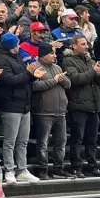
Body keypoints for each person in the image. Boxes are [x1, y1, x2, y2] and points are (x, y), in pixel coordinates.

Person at [0, 32, 39, 184]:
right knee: (10, 141)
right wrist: (28, 73)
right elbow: (10, 80)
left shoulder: (17, 57)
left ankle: (22, 169)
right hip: (11, 105)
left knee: (23, 141)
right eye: (17, 44)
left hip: (24, 104)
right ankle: (9, 170)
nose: (19, 46)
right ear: (11, 46)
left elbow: (24, 77)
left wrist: (33, 75)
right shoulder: (1, 59)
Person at [63, 35, 100, 177]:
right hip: (78, 105)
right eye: (82, 44)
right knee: (77, 138)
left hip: (94, 105)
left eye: (87, 44)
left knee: (92, 140)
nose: (86, 47)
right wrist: (93, 72)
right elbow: (75, 79)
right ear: (74, 46)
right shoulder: (68, 61)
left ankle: (93, 166)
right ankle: (76, 166)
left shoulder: (91, 60)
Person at [30, 43, 69, 179]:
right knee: (43, 143)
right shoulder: (35, 66)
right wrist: (54, 80)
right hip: (43, 112)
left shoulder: (57, 67)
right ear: (43, 54)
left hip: (60, 111)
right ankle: (43, 170)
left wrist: (62, 80)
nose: (54, 56)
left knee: (61, 143)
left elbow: (68, 84)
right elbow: (34, 86)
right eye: (51, 53)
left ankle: (59, 169)